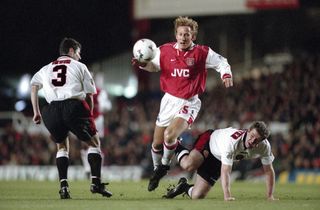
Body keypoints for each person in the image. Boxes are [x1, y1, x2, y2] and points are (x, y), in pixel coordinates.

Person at [132, 16, 233, 191]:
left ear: (193, 36)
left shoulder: (202, 53)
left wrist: (226, 74)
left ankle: (164, 165)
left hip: (189, 101)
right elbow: (154, 67)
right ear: (176, 35)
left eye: (187, 34)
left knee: (170, 135)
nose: (183, 37)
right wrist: (142, 64)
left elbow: (221, 62)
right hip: (168, 100)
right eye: (180, 34)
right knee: (156, 144)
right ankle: (158, 170)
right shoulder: (164, 50)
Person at [30, 37, 112, 199]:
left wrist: (36, 112)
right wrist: (89, 115)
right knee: (94, 143)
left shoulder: (46, 68)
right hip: (73, 106)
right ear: (72, 51)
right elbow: (89, 96)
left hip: (51, 110)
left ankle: (64, 188)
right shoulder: (80, 66)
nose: (80, 57)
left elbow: (34, 86)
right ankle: (95, 183)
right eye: (78, 53)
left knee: (62, 147)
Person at [163, 121, 278, 201]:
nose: (252, 141)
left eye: (257, 140)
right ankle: (175, 143)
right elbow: (226, 170)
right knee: (188, 165)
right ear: (248, 131)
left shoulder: (264, 147)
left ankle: (183, 187)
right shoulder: (232, 141)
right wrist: (227, 196)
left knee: (197, 195)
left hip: (218, 158)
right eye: (252, 135)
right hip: (210, 141)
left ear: (262, 141)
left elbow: (268, 171)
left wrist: (270, 196)